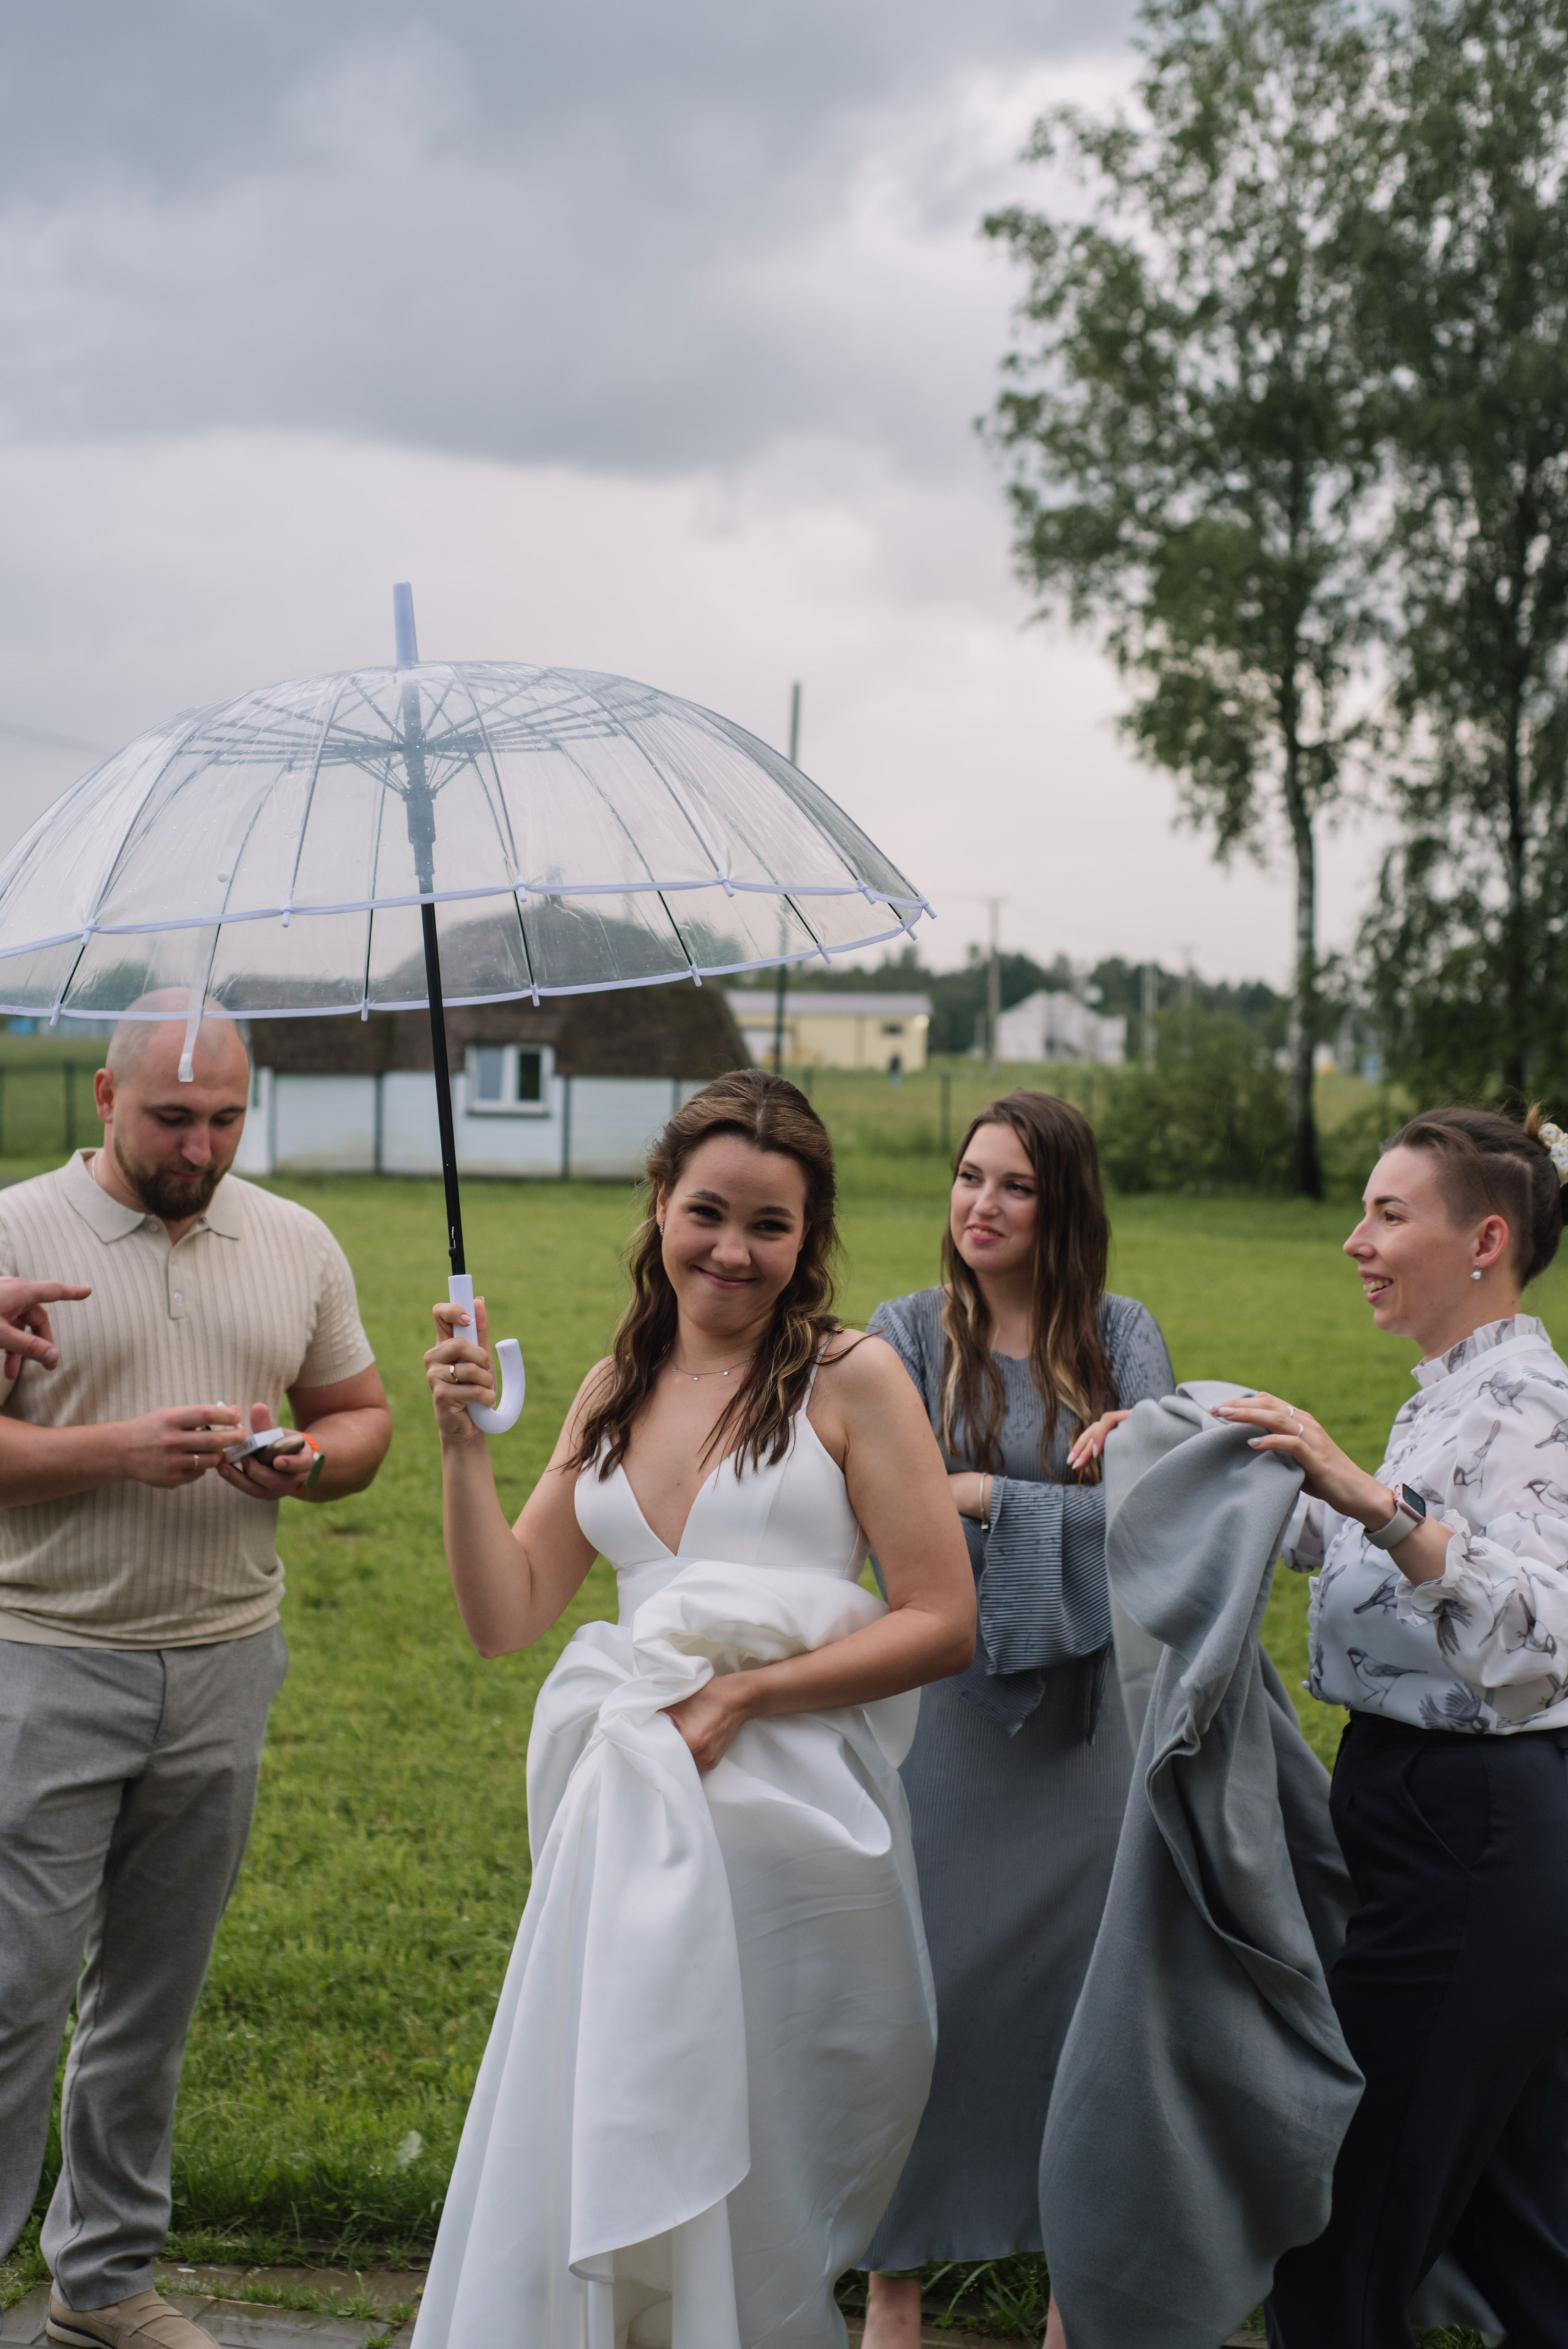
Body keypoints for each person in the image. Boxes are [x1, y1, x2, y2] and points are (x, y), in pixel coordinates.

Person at [415, 1069, 974, 2349]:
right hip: (625, 1843)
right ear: (660, 1201)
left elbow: (941, 1618)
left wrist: (744, 1693)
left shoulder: (851, 1379)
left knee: (748, 2171)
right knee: (613, 2130)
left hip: (788, 1841)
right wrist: (461, 1446)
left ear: (807, 1235)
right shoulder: (615, 1382)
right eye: (707, 1210)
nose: (732, 1249)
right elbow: (507, 1613)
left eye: (768, 1225)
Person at [0, 1000, 391, 2349]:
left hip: (227, 1657)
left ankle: (103, 2283)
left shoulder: (293, 1240)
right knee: (12, 1991)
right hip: (40, 1655)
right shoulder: (11, 1233)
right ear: (105, 1093)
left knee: (151, 1996)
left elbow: (361, 1415)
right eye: (173, 1117)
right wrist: (119, 1450)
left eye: (226, 1118)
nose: (202, 1143)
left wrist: (312, 1460)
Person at [1211, 1106, 1568, 2348]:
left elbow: (1534, 1641)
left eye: (1385, 1213)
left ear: (1482, 1238)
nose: (1354, 1241)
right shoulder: (1454, 1397)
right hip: (1430, 1821)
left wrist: (1363, 1493)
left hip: (1467, 1832)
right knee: (1521, 2238)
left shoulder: (1523, 1399)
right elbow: (1389, 1562)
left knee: (1338, 2231)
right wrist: (1207, 1455)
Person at [861, 1092, 1174, 2349]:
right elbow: (869, 1512)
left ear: (1063, 1206)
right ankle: (891, 2291)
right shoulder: (896, 1335)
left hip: (1077, 1743)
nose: (978, 1205)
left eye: (1012, 1186)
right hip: (931, 1727)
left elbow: (1161, 1515)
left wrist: (986, 1492)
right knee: (915, 2008)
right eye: (965, 1176)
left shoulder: (1118, 1335)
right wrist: (1026, 1509)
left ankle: (1068, 2296)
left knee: (1074, 2022)